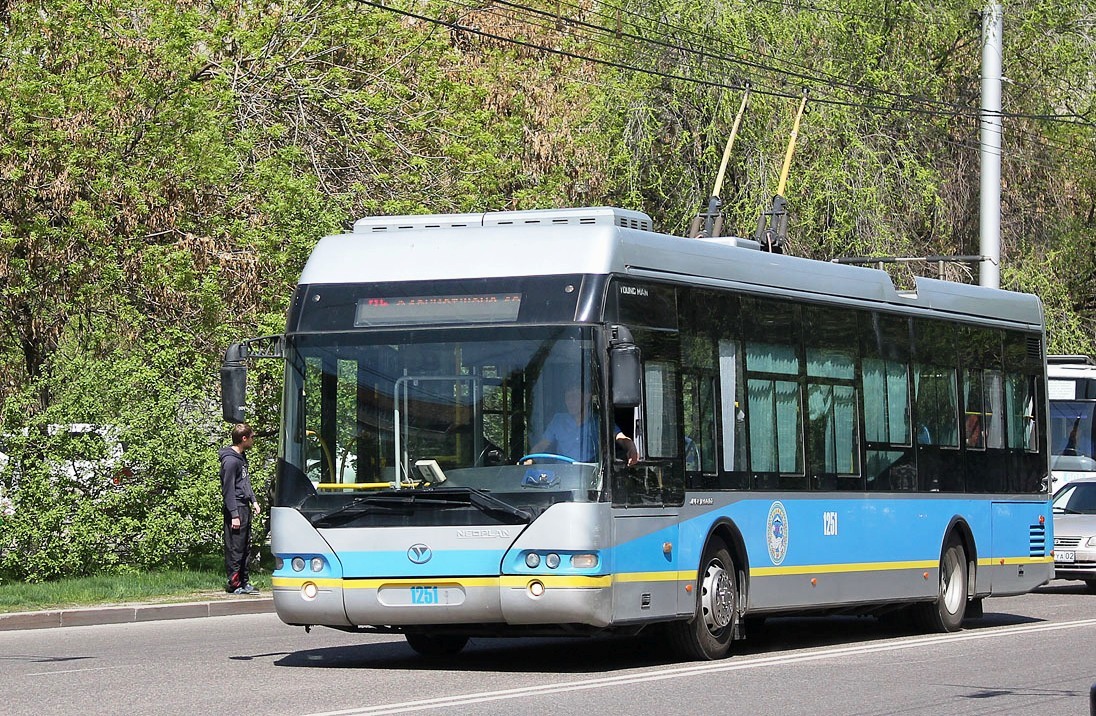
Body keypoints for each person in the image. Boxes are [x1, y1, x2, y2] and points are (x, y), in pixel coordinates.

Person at [526, 386, 638, 465]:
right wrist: (531, 458)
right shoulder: (558, 420)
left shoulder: (599, 422)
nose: (570, 402)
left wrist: (631, 448)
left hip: (591, 479)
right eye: (567, 398)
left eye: (574, 397)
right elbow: (542, 445)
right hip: (562, 477)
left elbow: (621, 438)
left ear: (587, 397)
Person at [220, 422, 261, 595]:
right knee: (235, 548)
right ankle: (235, 584)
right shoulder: (230, 461)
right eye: (251, 437)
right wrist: (234, 515)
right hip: (235, 507)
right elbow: (228, 489)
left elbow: (245, 482)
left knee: (245, 546)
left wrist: (253, 500)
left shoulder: (242, 457)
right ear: (244, 438)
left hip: (244, 506)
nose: (253, 440)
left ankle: (244, 582)